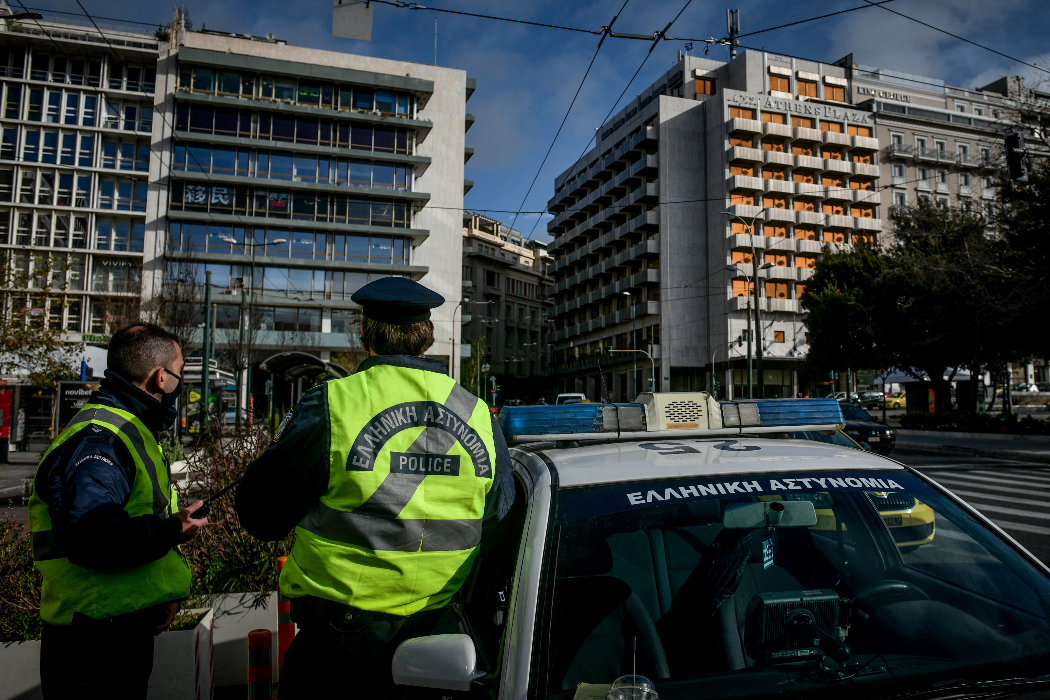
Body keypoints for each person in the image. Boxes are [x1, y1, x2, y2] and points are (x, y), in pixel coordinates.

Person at [237, 277, 515, 699]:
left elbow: (261, 514)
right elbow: (502, 525)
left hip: (340, 654)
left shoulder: (333, 403)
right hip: (443, 650)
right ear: (428, 337)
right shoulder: (477, 414)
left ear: (363, 333)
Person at [28, 323, 207, 699]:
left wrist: (156, 600)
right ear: (161, 377)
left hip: (109, 631)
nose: (179, 386)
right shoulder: (103, 437)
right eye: (179, 374)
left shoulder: (123, 426)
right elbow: (95, 536)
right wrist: (173, 531)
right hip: (94, 646)